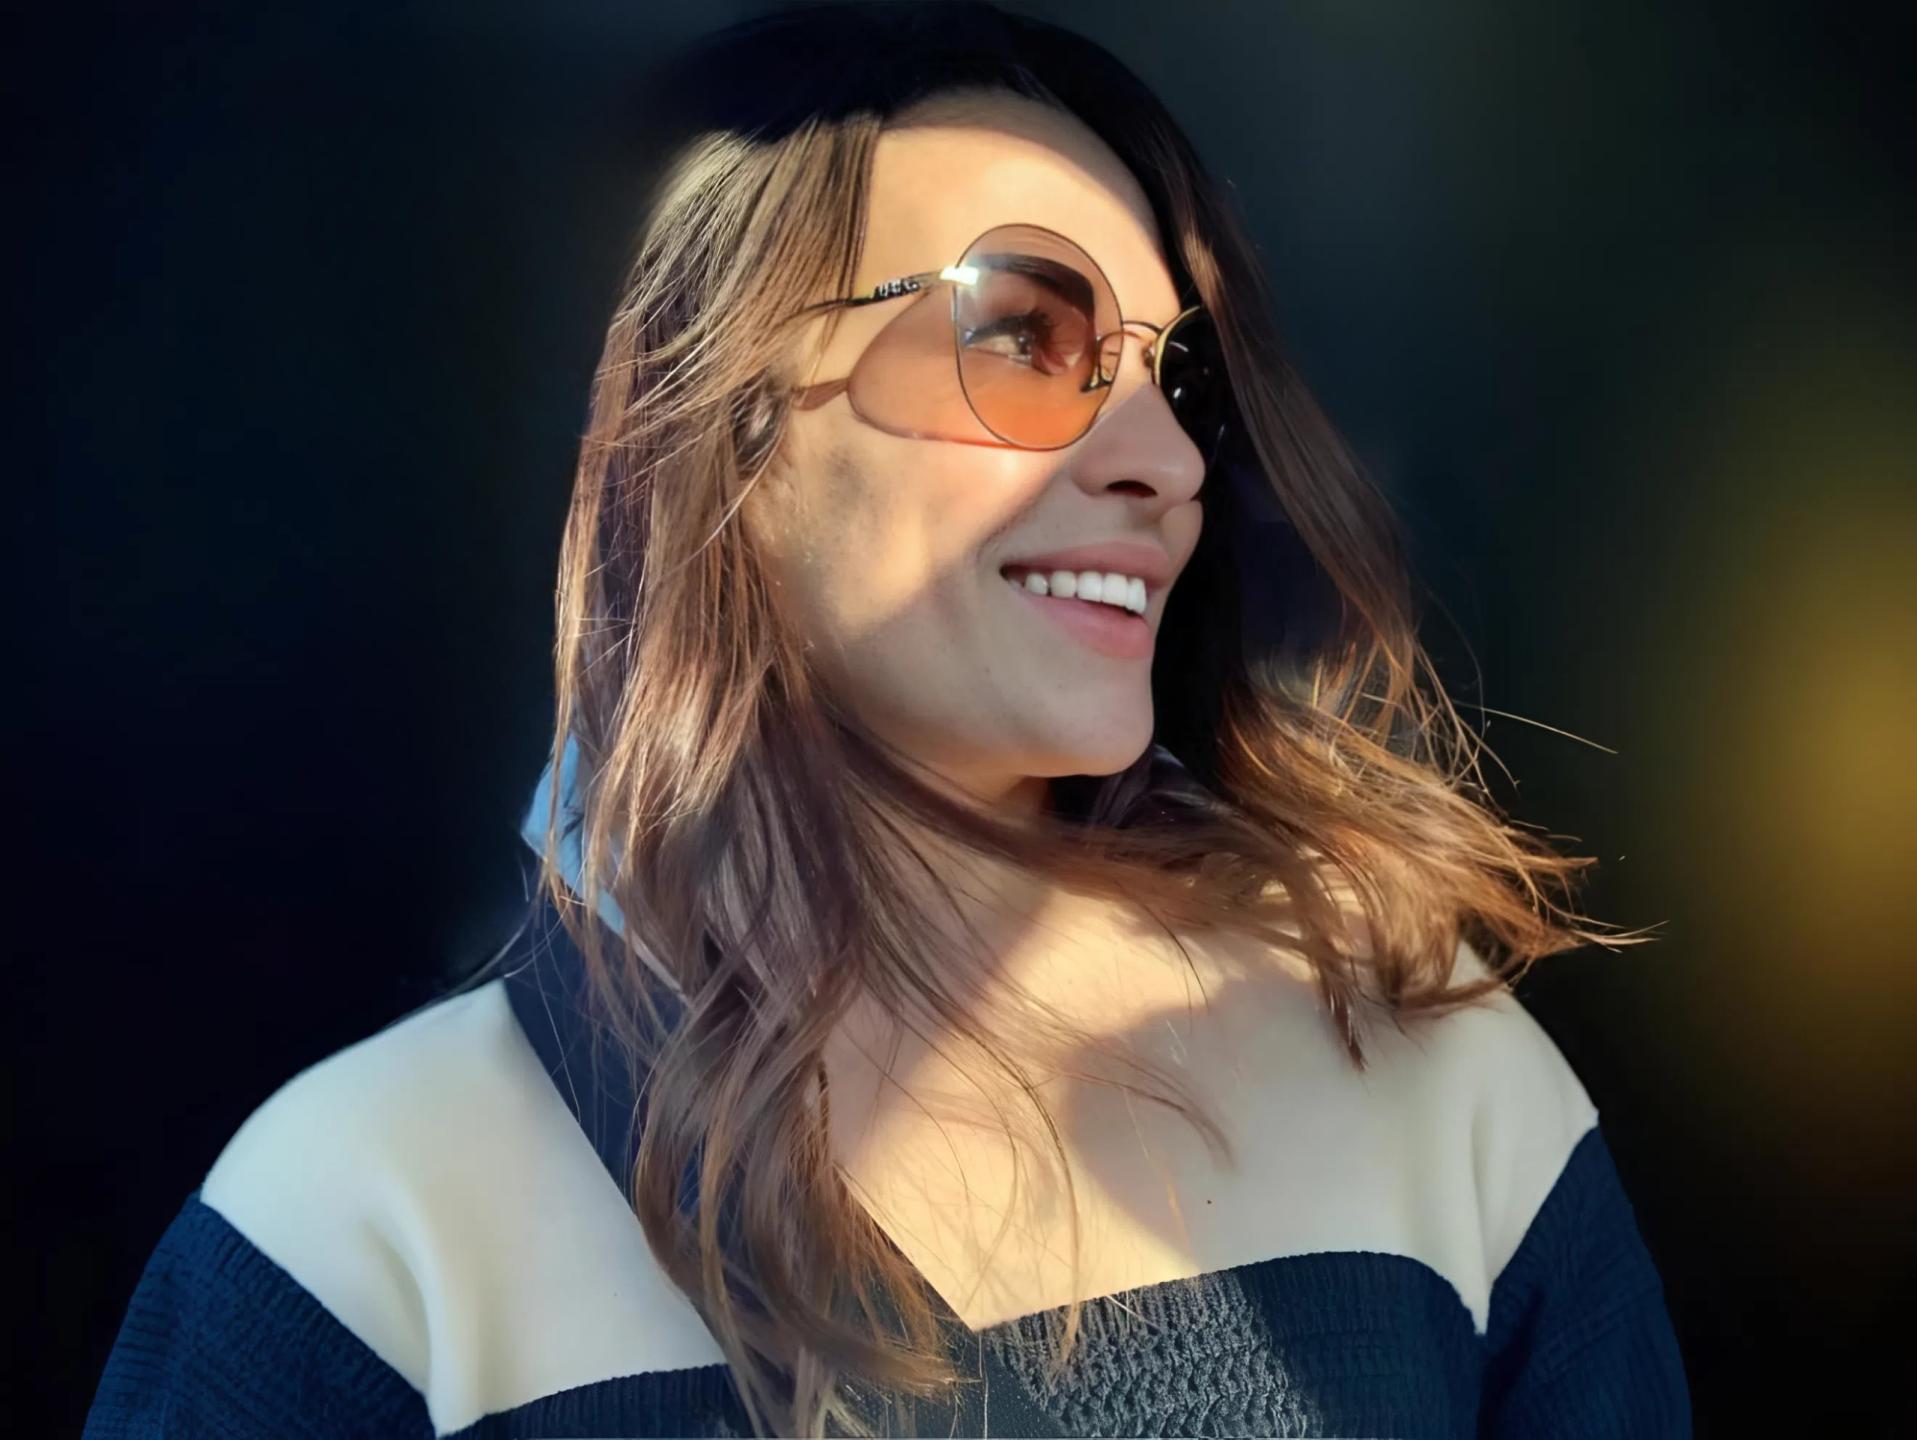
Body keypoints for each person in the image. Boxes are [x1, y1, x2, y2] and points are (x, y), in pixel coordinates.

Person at [84, 4, 1691, 1436]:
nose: (1165, 463)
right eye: (1019, 333)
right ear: (723, 420)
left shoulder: (1425, 1072)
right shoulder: (365, 1229)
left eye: (1178, 379)